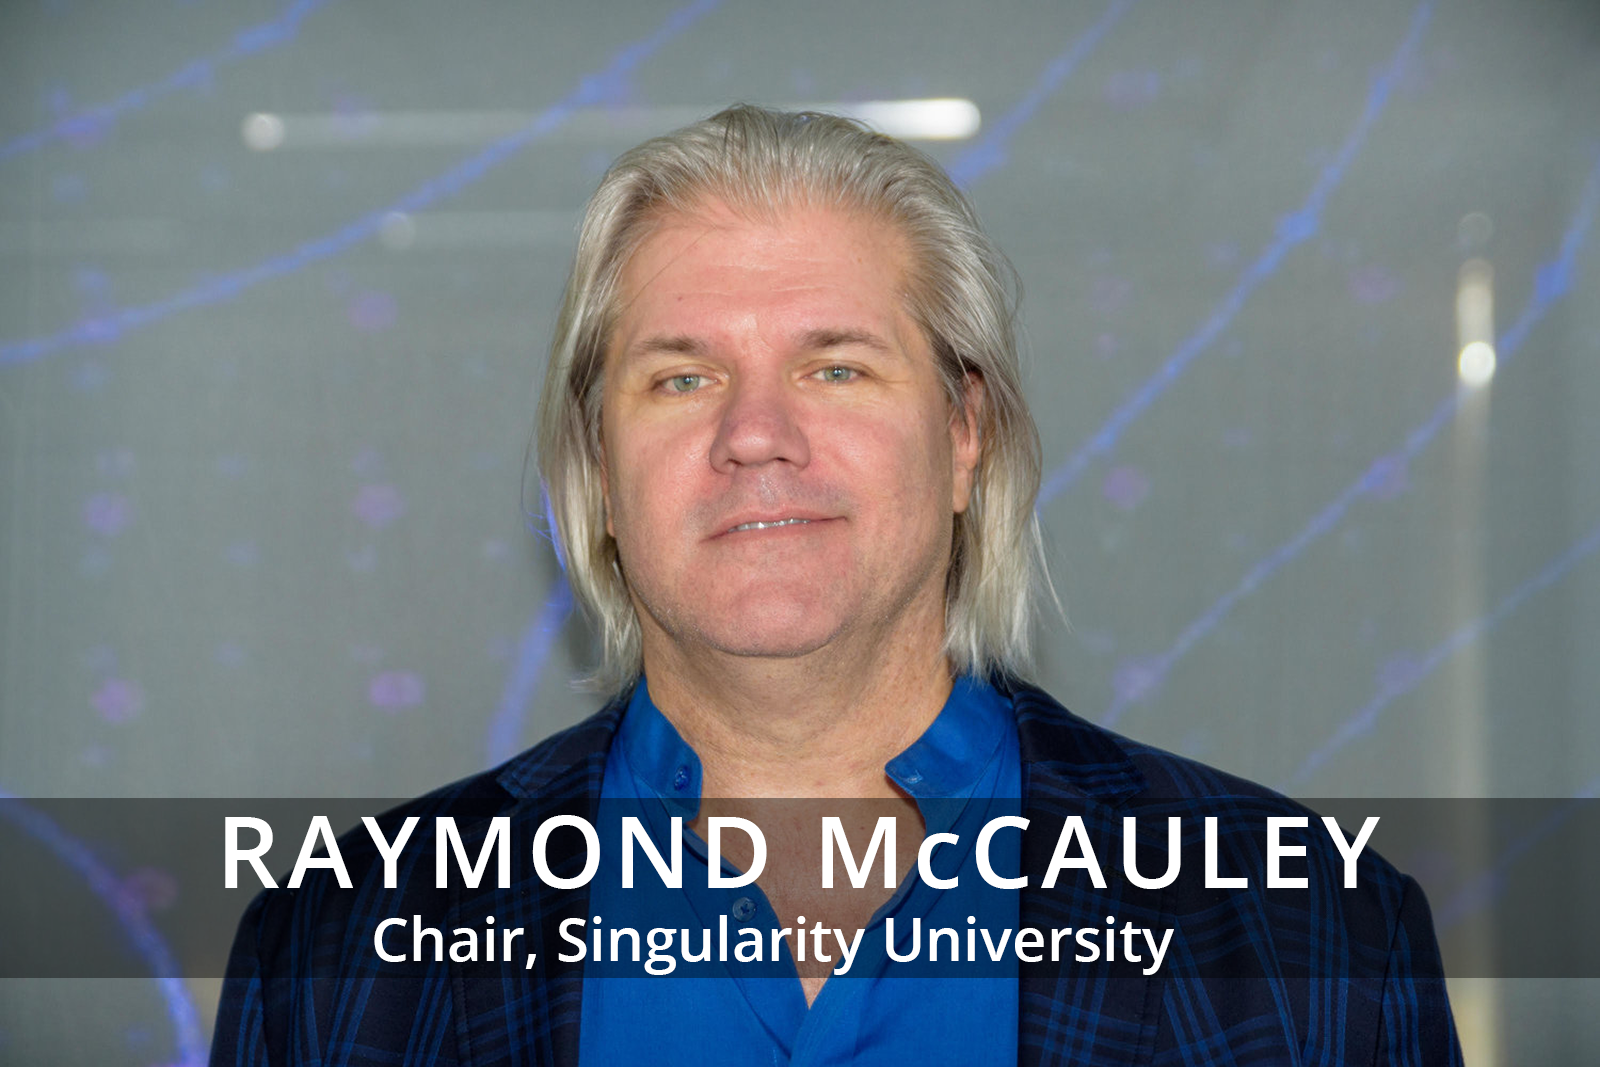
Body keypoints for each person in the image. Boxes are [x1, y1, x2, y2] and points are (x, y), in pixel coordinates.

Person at [212, 104, 1461, 1066]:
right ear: (599, 459)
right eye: (681, 376)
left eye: (837, 368)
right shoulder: (335, 955)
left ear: (966, 432)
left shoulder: (1315, 938)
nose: (756, 433)